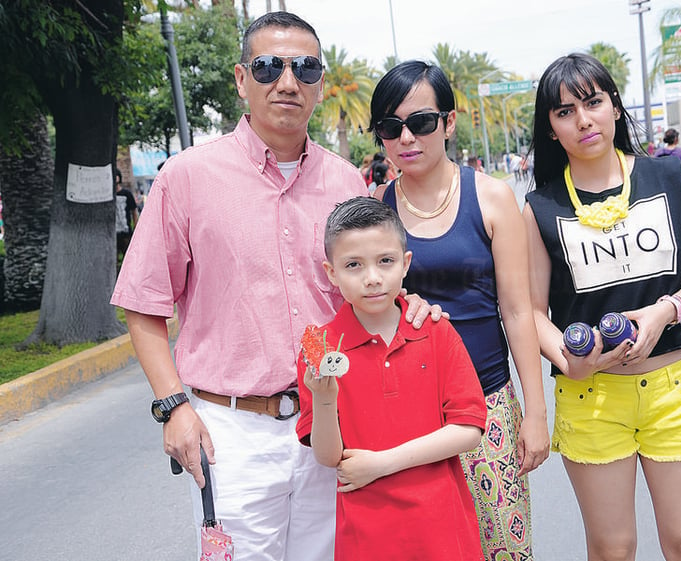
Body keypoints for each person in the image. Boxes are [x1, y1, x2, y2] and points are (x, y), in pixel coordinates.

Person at [110, 12, 439, 561]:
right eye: (269, 66)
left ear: (320, 84)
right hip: (230, 432)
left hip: (330, 421)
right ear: (242, 79)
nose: (288, 81)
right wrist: (173, 407)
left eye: (305, 68)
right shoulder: (186, 178)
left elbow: (362, 290)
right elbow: (143, 305)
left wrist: (409, 305)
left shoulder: (344, 181)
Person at [523, 53, 681, 561]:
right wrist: (570, 359)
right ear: (550, 128)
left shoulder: (668, 178)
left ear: (614, 106)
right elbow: (530, 311)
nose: (583, 119)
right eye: (565, 111)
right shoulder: (541, 207)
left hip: (673, 389)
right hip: (591, 397)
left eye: (592, 103)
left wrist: (666, 311)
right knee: (613, 549)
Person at [370, 60, 550, 561]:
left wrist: (534, 413)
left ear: (448, 123)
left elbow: (517, 312)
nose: (406, 137)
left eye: (422, 122)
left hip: (487, 406)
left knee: (503, 548)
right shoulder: (376, 208)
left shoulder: (491, 197)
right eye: (391, 127)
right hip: (408, 413)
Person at [296, 196, 487, 561]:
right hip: (368, 536)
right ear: (331, 272)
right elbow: (328, 455)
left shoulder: (435, 331)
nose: (372, 278)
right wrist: (323, 397)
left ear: (405, 264)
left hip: (443, 530)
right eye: (353, 265)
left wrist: (383, 464)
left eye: (385, 261)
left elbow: (468, 429)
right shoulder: (318, 348)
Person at [114, 169, 138, 263]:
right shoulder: (108, 195)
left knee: (128, 258)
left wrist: (136, 227)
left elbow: (134, 211)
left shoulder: (126, 194)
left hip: (125, 231)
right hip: (113, 233)